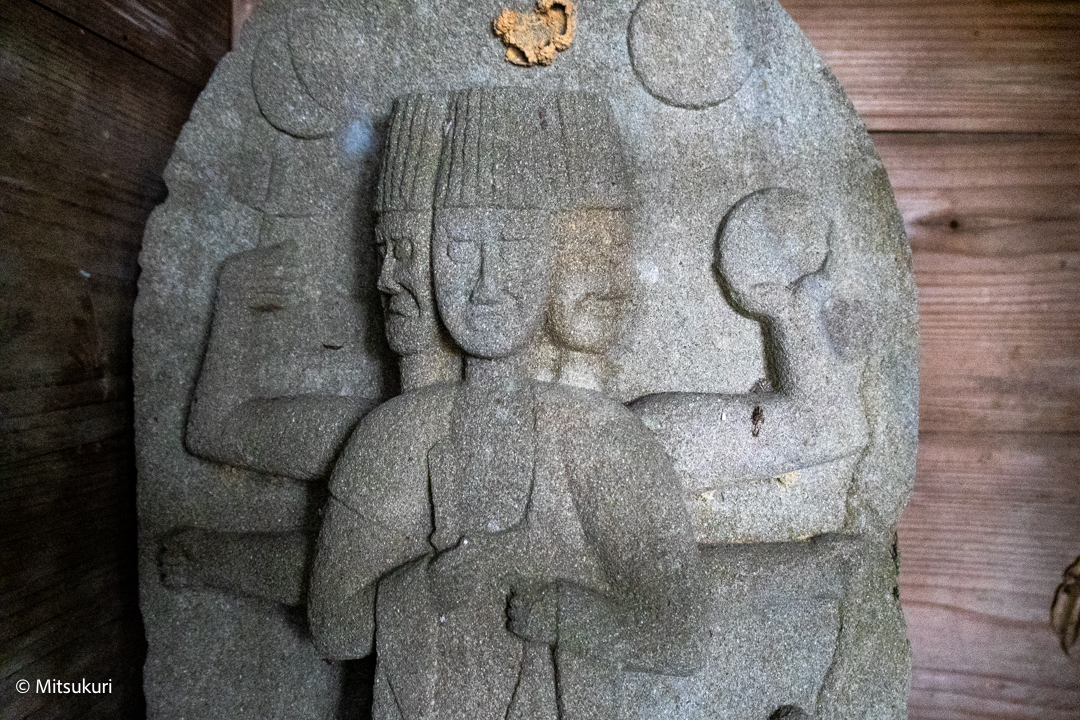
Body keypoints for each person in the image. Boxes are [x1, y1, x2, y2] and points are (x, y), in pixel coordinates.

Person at [309, 87, 703, 720]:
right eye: (460, 248)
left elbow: (679, 632)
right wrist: (427, 586)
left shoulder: (605, 439)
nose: (486, 283)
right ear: (428, 257)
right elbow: (334, 626)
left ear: (554, 255)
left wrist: (568, 613)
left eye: (514, 247)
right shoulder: (392, 437)